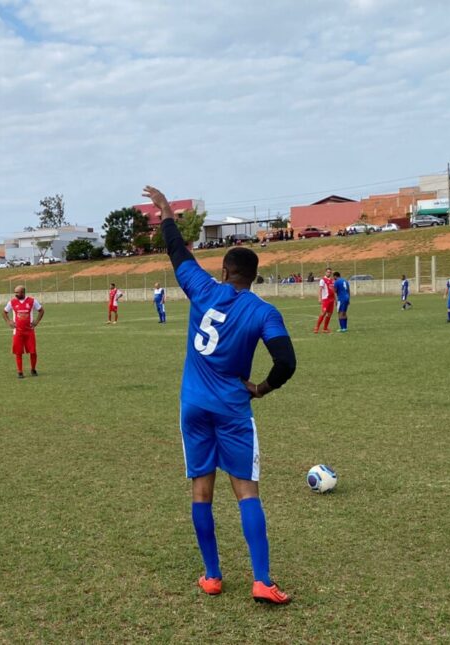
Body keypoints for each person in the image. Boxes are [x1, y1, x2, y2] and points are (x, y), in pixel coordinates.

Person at [144, 185, 296, 605]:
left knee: (201, 492)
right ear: (254, 277)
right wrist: (261, 388)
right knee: (246, 492)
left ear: (225, 271)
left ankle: (212, 576)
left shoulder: (203, 289)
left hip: (193, 406)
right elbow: (286, 362)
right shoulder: (263, 311)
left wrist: (166, 211)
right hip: (232, 408)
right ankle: (261, 581)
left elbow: (177, 251)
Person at [2, 285, 44, 379]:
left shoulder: (32, 301)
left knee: (33, 351)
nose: (16, 294)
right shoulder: (12, 302)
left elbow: (41, 311)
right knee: (18, 352)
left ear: (23, 292)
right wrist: (9, 321)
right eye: (15, 292)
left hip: (29, 331)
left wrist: (36, 321)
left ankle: (33, 369)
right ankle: (20, 371)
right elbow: (4, 312)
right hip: (17, 331)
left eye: (17, 292)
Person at [314, 267, 335, 333]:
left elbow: (333, 290)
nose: (329, 273)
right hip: (326, 299)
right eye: (328, 272)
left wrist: (335, 299)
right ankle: (316, 327)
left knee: (329, 314)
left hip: (332, 299)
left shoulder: (332, 280)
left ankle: (325, 328)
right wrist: (319, 298)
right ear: (325, 272)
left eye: (330, 272)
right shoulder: (322, 280)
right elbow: (320, 290)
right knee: (323, 313)